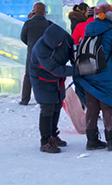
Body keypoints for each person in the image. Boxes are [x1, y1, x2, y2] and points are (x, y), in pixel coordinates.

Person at [74, 3, 112, 151]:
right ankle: (111, 141)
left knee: (91, 108)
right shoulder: (111, 32)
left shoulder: (88, 29)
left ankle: (91, 141)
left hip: (87, 74)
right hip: (106, 76)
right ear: (111, 17)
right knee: (108, 106)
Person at [28, 23, 76, 153]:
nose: (59, 46)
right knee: (47, 107)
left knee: (57, 103)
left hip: (57, 78)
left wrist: (76, 63)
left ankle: (53, 135)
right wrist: (77, 71)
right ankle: (45, 141)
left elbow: (72, 51)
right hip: (41, 78)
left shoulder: (65, 38)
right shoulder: (41, 49)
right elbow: (55, 69)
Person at [19, 3, 52, 105]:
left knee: (28, 76)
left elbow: (23, 38)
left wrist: (30, 45)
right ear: (44, 12)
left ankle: (25, 99)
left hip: (32, 53)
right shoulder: (49, 24)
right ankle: (43, 98)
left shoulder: (28, 24)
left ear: (33, 11)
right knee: (44, 75)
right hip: (45, 54)